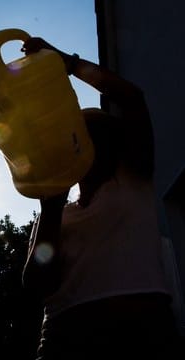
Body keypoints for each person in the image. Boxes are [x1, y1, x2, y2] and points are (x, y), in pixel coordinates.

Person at [21, 37, 179, 359]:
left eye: (92, 133)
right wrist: (50, 207)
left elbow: (132, 99)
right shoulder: (58, 211)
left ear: (115, 145)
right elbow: (37, 285)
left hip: (141, 332)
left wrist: (67, 62)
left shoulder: (133, 179)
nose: (80, 142)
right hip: (64, 337)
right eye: (76, 135)